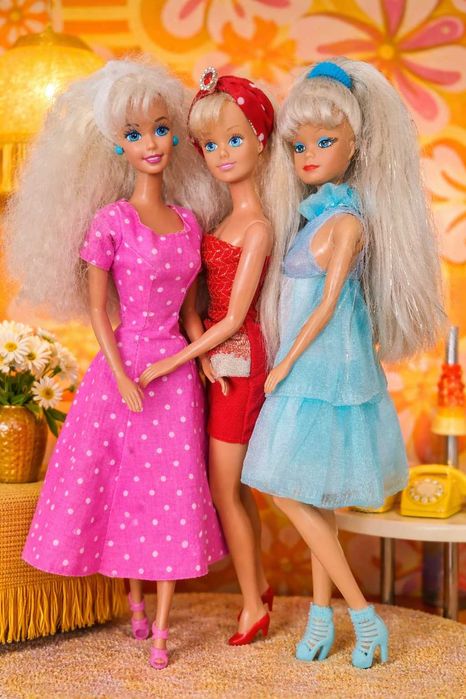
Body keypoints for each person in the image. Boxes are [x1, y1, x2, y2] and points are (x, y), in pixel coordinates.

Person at [5, 58, 226, 670]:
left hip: (175, 376)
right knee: (124, 487)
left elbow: (191, 311)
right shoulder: (112, 221)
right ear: (116, 145)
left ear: (174, 136)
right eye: (134, 134)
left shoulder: (188, 221)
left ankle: (162, 626)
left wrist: (202, 357)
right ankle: (133, 603)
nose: (150, 143)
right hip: (122, 370)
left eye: (160, 129)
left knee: (173, 491)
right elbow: (100, 312)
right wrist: (123, 375)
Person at [241, 58, 445, 668]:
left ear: (355, 145)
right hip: (307, 373)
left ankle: (362, 614)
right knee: (310, 495)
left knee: (286, 490)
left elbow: (328, 306)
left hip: (325, 374)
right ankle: (321, 617)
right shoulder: (310, 219)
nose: (308, 155)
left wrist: (285, 363)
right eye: (299, 145)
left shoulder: (349, 220)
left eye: (325, 142)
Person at [139, 68, 275, 645]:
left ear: (261, 142)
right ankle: (259, 586)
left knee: (225, 490)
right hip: (216, 360)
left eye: (234, 139)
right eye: (211, 144)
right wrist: (196, 353)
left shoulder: (259, 227)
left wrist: (176, 359)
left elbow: (235, 316)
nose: (222, 154)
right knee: (234, 489)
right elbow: (199, 300)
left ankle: (252, 606)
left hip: (240, 362)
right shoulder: (221, 220)